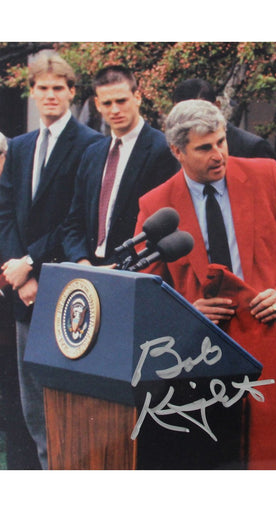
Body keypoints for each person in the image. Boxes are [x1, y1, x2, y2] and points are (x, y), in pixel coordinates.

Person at [133, 99, 276, 470]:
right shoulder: (156, 205)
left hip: (273, 340)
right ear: (177, 151)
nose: (219, 154)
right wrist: (188, 311)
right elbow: (146, 289)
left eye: (222, 142)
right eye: (205, 147)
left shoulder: (267, 176)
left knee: (270, 459)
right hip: (199, 354)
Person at [0, 51, 102, 469]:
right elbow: (5, 210)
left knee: (68, 406)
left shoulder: (90, 145)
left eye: (58, 88)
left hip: (65, 288)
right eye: (42, 88)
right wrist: (16, 271)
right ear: (33, 91)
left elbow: (76, 219)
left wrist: (32, 263)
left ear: (72, 92)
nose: (50, 96)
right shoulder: (21, 146)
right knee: (32, 410)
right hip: (24, 294)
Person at [62, 65, 178, 266]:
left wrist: (118, 266)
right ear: (97, 104)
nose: (115, 110)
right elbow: (74, 221)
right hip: (88, 268)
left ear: (137, 97)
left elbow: (160, 225)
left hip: (133, 269)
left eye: (121, 101)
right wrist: (82, 262)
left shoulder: (161, 150)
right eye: (107, 103)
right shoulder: (92, 153)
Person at [172, 78, 276, 159]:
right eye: (181, 116)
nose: (189, 122)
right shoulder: (177, 151)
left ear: (217, 106)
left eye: (196, 114)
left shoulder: (253, 148)